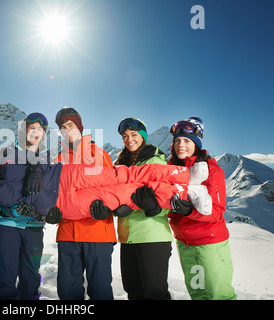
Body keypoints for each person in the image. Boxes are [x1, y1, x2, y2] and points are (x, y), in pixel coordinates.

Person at [92, 118, 173, 300]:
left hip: (152, 236)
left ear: (143, 136)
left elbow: (170, 200)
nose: (129, 140)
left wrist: (154, 207)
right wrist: (111, 209)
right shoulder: (121, 165)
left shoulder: (156, 162)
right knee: (133, 291)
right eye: (125, 136)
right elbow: (116, 197)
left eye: (134, 135)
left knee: (155, 294)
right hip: (128, 238)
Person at [168, 116, 237, 300]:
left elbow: (217, 211)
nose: (181, 145)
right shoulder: (171, 169)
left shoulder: (211, 169)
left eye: (187, 141)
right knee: (198, 294)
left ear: (196, 143)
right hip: (185, 244)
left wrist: (190, 211)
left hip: (209, 244)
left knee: (218, 295)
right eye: (177, 141)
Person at [0, 112, 56, 300]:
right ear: (22, 130)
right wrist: (4, 207)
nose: (36, 132)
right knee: (6, 270)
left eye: (40, 130)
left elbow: (52, 189)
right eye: (32, 128)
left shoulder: (48, 159)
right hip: (7, 224)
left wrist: (42, 210)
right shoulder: (4, 153)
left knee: (31, 273)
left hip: (34, 225)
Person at [53, 107, 116, 300]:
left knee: (100, 289)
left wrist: (107, 206)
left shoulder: (100, 154)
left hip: (97, 231)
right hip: (67, 232)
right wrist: (51, 210)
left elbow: (113, 187)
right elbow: (53, 194)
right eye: (63, 127)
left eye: (71, 125)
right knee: (68, 289)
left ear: (80, 127)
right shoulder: (57, 160)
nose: (67, 130)